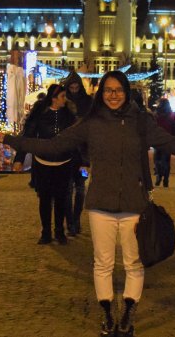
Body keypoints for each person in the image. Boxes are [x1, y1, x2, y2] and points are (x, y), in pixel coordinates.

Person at [0, 71, 175, 337]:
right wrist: (12, 141)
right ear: (101, 93)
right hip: (101, 202)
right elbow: (54, 145)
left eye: (118, 90)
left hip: (134, 203)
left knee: (133, 263)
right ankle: (106, 313)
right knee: (102, 263)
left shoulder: (141, 122)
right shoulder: (90, 123)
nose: (113, 95)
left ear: (126, 93)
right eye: (108, 90)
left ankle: (127, 313)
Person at [13, 83, 78, 245]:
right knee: (45, 198)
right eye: (62, 96)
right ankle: (46, 231)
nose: (65, 99)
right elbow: (28, 137)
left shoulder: (69, 116)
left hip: (64, 162)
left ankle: (59, 231)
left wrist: (81, 161)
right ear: (54, 98)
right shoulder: (40, 115)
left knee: (62, 199)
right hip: (43, 163)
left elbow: (75, 139)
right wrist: (19, 159)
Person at [62, 72, 93, 236]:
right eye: (71, 87)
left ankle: (76, 218)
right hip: (67, 154)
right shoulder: (63, 102)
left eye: (76, 87)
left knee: (80, 189)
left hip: (83, 155)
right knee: (67, 190)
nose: (74, 90)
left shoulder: (88, 102)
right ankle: (70, 222)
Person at [153, 98, 175, 187]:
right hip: (168, 140)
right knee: (165, 161)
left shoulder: (156, 115)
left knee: (157, 160)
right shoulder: (172, 115)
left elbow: (152, 126)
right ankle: (165, 179)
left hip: (158, 140)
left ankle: (159, 176)